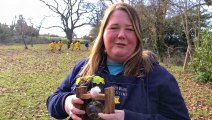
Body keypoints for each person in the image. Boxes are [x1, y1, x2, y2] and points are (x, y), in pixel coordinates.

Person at [46, 2, 190, 120]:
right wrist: (65, 102)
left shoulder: (157, 76)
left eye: (130, 29)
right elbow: (53, 101)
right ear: (103, 34)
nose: (121, 35)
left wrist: (128, 117)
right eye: (114, 27)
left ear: (138, 37)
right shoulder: (82, 68)